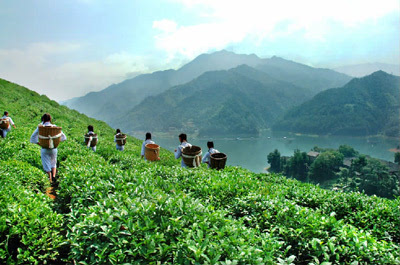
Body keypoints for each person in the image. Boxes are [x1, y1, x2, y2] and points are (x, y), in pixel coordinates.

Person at [30, 113, 66, 182]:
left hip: (44, 148)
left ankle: (50, 180)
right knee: (53, 163)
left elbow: (32, 137)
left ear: (43, 119)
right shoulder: (54, 127)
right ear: (50, 119)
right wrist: (56, 141)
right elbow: (64, 137)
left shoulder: (40, 127)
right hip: (53, 148)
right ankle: (54, 176)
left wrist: (39, 143)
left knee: (46, 163)